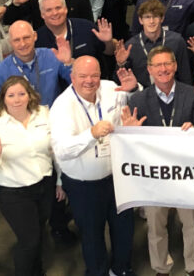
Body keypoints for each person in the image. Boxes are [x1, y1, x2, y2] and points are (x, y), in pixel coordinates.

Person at [50, 56, 139, 276]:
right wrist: (91, 134)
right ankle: (97, 272)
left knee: (124, 228)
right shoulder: (62, 106)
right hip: (84, 186)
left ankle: (121, 269)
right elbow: (62, 150)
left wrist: (134, 89)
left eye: (94, 75)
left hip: (117, 177)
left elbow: (137, 100)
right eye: (83, 76)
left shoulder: (110, 88)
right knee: (92, 234)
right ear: (72, 77)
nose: (89, 81)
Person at [127, 46, 194, 276]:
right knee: (155, 225)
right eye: (157, 65)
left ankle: (193, 266)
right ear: (149, 69)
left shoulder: (192, 94)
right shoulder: (137, 99)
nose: (163, 69)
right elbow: (132, 144)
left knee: (191, 223)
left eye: (167, 64)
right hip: (154, 174)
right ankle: (161, 268)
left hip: (185, 172)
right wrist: (130, 132)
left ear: (175, 66)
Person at [0, 76, 58, 276]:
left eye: (21, 94)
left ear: (30, 95)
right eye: (11, 95)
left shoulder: (43, 114)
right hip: (14, 192)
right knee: (29, 241)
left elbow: (55, 150)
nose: (17, 99)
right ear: (3, 98)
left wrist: (60, 181)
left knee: (39, 233)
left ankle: (37, 271)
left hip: (44, 185)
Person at [115, 0, 192, 88]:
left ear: (162, 19)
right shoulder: (130, 46)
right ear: (140, 20)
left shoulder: (177, 41)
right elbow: (119, 82)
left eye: (155, 16)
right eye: (147, 17)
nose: (151, 21)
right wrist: (120, 64)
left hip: (173, 92)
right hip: (141, 94)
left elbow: (185, 76)